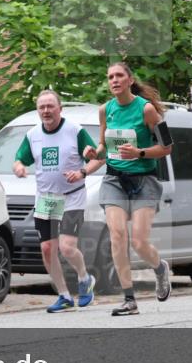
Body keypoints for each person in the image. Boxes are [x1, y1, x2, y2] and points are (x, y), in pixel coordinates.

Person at [83, 62, 174, 316]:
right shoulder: (105, 110)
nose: (114, 80)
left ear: (129, 79)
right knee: (117, 235)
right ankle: (129, 299)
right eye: (110, 76)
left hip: (144, 180)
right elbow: (102, 146)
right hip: (114, 180)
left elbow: (167, 147)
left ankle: (159, 268)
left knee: (139, 242)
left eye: (119, 75)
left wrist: (140, 152)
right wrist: (93, 152)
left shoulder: (146, 110)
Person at [14, 90, 104, 312]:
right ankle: (64, 295)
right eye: (41, 107)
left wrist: (82, 171)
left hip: (72, 196)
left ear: (60, 108)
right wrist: (19, 166)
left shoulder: (75, 131)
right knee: (46, 249)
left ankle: (84, 279)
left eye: (50, 106)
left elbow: (99, 159)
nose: (46, 111)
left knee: (66, 247)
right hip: (46, 199)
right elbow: (19, 158)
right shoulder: (33, 134)